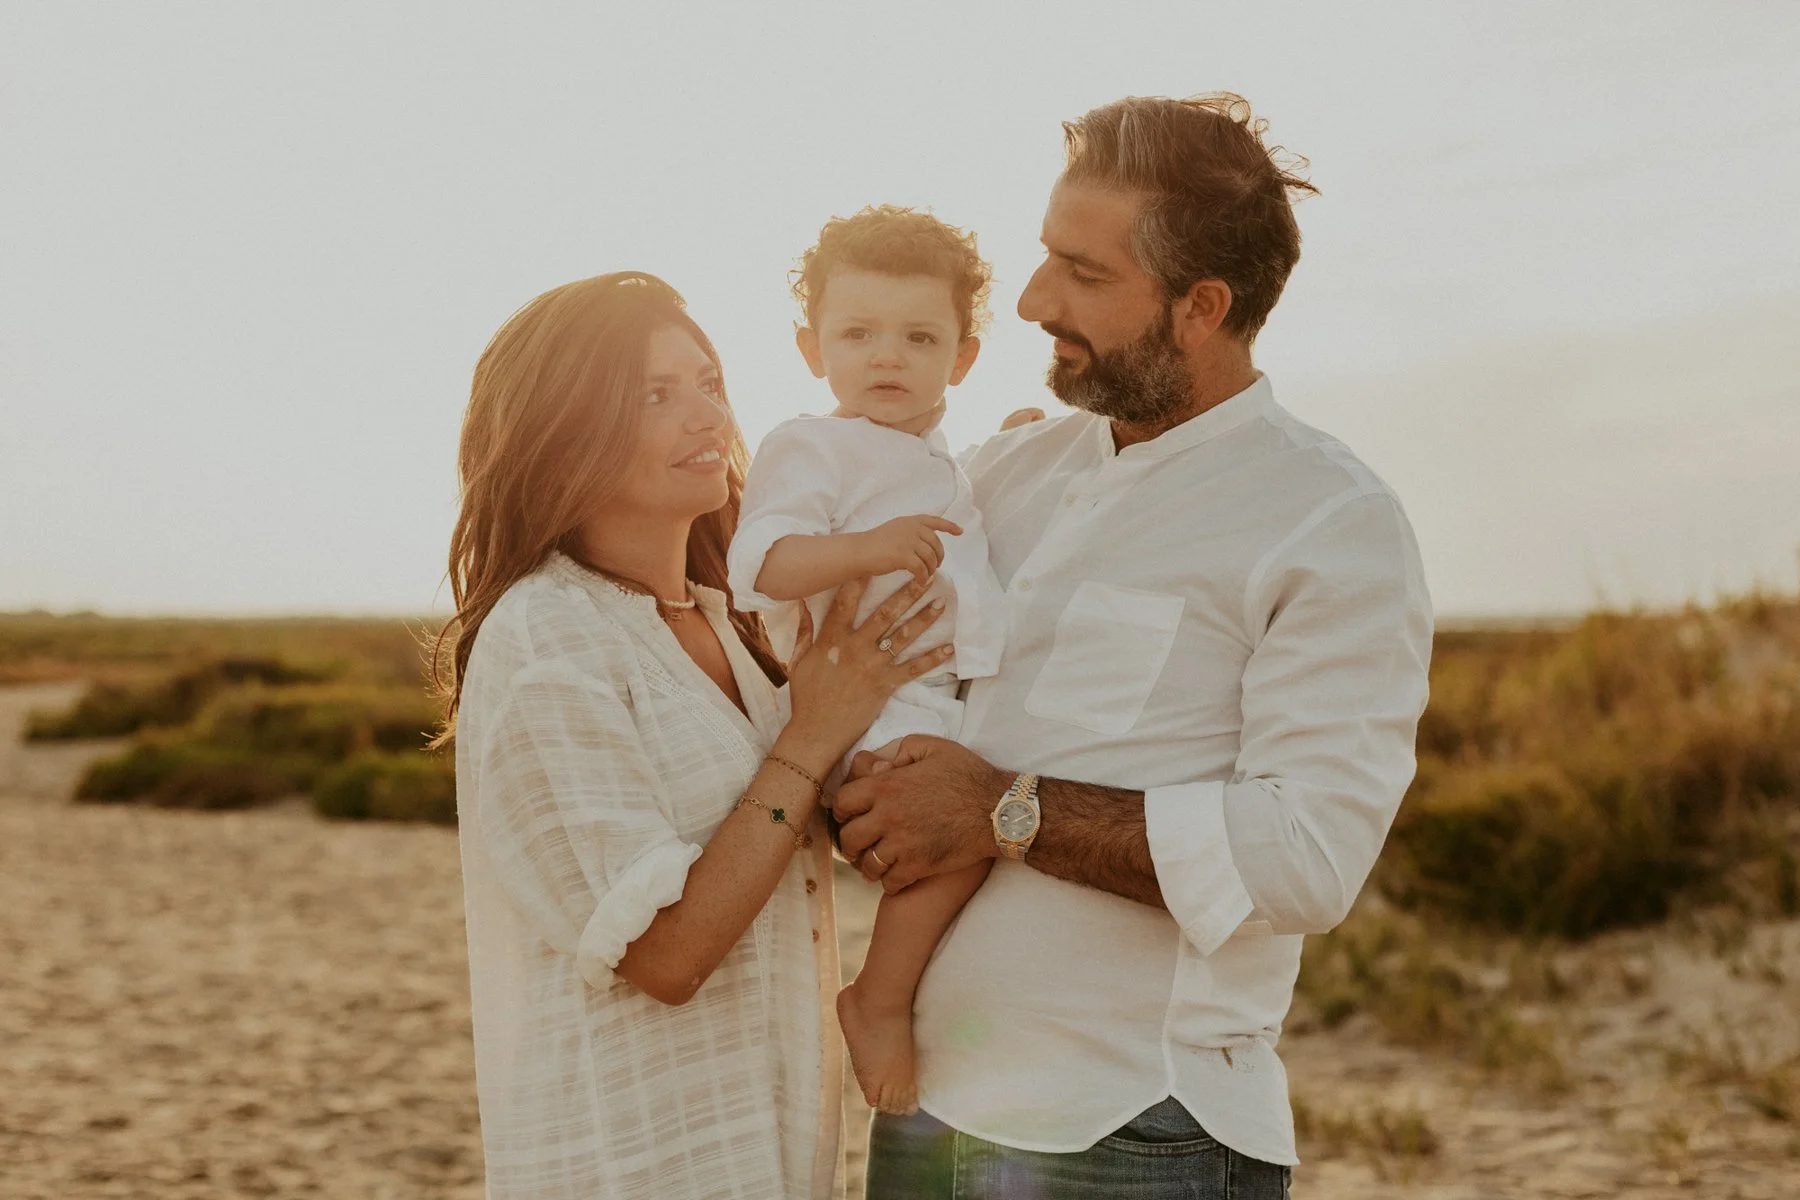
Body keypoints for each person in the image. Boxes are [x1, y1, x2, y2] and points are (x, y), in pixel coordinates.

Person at [832, 94, 1435, 1198]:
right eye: (1044, 256)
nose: (1030, 300)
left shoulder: (1328, 520)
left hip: (1135, 1135)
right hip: (923, 1115)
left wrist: (1004, 808)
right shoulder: (1003, 475)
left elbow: (1306, 858)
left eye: (1084, 273)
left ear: (1201, 306)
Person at [436, 271, 952, 1200]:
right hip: (635, 1166)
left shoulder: (734, 628)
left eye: (709, 381)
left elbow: (826, 830)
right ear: (560, 438)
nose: (707, 416)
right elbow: (664, 955)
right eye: (654, 396)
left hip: (769, 1158)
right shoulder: (549, 634)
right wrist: (811, 736)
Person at [725, 206, 1007, 1116]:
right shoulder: (811, 446)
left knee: (990, 823)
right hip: (874, 704)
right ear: (813, 349)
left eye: (919, 337)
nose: (887, 356)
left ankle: (908, 996)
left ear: (961, 357)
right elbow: (756, 563)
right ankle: (878, 1001)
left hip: (938, 695)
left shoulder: (937, 458)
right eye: (858, 334)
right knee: (963, 840)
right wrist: (865, 550)